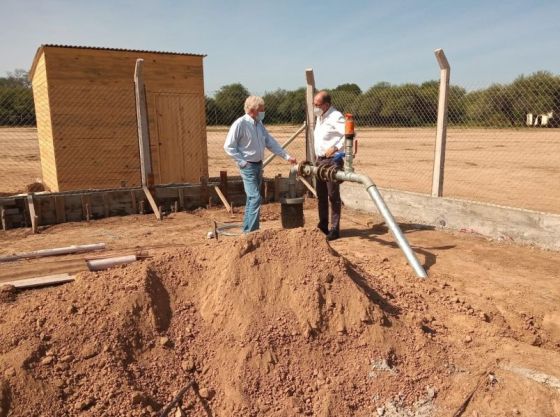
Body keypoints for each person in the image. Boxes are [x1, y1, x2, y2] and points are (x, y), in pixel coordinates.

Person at [224, 96, 297, 233]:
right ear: (253, 110)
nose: (264, 112)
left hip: (258, 165)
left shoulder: (259, 125)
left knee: (252, 199)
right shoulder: (240, 124)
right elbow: (229, 146)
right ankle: (252, 232)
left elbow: (270, 142)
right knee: (255, 197)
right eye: (262, 110)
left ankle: (247, 230)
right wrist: (242, 162)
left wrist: (287, 156)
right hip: (248, 167)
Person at [313, 90, 345, 241]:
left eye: (317, 104)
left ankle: (335, 229)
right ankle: (323, 225)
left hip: (332, 161)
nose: (315, 107)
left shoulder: (336, 116)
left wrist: (336, 147)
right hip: (319, 160)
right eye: (314, 104)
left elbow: (349, 134)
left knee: (333, 196)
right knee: (321, 195)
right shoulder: (320, 117)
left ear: (326, 104)